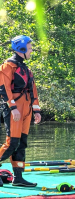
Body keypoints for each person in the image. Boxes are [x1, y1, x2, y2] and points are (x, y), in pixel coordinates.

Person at [0, 35, 41, 187]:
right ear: (21, 49)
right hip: (14, 109)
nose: (31, 51)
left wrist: (36, 111)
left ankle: (18, 177)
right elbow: (3, 88)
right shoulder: (8, 66)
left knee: (22, 144)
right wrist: (12, 107)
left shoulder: (26, 69)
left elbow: (33, 91)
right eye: (29, 49)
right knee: (12, 143)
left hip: (27, 109)